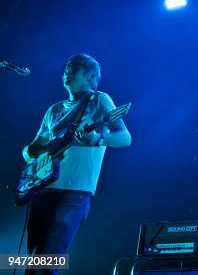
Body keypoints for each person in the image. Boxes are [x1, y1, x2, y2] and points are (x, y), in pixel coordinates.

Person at [21, 53, 131, 275]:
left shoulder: (98, 99)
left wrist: (98, 139)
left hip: (74, 194)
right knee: (32, 262)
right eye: (66, 68)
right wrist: (29, 153)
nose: (67, 72)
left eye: (74, 68)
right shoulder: (54, 110)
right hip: (44, 190)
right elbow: (32, 149)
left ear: (90, 75)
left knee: (50, 261)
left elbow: (126, 138)